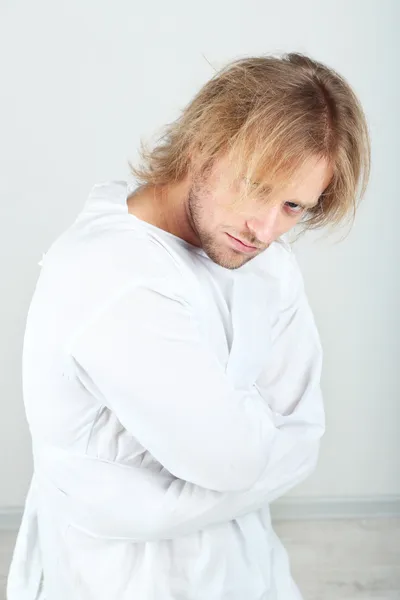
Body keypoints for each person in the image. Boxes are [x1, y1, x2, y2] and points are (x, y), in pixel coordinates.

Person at [7, 52, 370, 599]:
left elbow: (302, 439)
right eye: (256, 185)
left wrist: (202, 464)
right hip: (116, 582)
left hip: (250, 570)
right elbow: (234, 459)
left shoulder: (264, 263)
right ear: (203, 146)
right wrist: (248, 444)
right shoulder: (111, 272)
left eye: (294, 206)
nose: (267, 228)